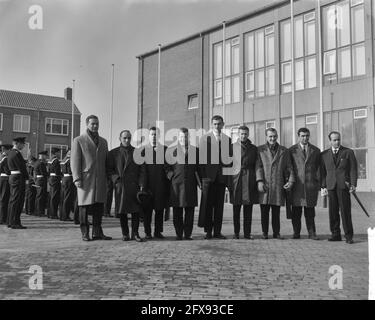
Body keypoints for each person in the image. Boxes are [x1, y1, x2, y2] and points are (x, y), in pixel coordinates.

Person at [71, 115, 112, 241]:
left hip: (100, 179)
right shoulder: (79, 140)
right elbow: (75, 160)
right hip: (85, 179)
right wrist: (76, 178)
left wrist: (108, 177)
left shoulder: (104, 142)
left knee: (99, 207)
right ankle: (85, 233)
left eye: (97, 123)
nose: (95, 126)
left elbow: (106, 161)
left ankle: (97, 232)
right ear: (87, 124)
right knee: (84, 206)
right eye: (92, 123)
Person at [108, 130, 146, 242]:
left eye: (129, 138)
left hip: (134, 186)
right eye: (124, 138)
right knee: (122, 211)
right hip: (121, 186)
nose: (127, 140)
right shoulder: (113, 153)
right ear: (119, 138)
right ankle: (125, 234)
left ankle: (135, 233)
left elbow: (142, 170)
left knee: (135, 211)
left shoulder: (137, 152)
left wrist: (142, 184)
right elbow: (109, 170)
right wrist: (116, 180)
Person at [198, 115, 232, 240]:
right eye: (215, 124)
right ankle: (208, 232)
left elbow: (229, 161)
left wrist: (227, 179)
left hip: (221, 179)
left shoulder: (227, 140)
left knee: (219, 207)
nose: (217, 126)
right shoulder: (204, 139)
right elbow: (200, 161)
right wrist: (203, 179)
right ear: (212, 125)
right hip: (209, 179)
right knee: (208, 206)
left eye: (219, 124)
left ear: (223, 124)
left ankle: (217, 231)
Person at [320, 131, 358, 244]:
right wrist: (323, 186)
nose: (337, 142)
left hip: (343, 186)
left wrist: (353, 184)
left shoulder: (348, 152)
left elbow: (353, 170)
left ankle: (348, 236)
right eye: (334, 140)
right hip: (331, 186)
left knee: (345, 211)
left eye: (338, 139)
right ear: (330, 141)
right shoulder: (324, 155)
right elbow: (322, 172)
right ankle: (335, 234)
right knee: (333, 212)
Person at [258, 128, 295, 239]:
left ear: (277, 136)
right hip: (265, 184)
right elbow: (258, 166)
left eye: (274, 136)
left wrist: (291, 180)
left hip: (278, 185)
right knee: (264, 211)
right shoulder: (260, 150)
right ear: (266, 137)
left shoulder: (284, 150)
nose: (272, 138)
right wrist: (259, 181)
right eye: (270, 136)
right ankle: (264, 233)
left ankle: (276, 233)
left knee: (276, 211)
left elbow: (289, 167)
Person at [165, 128, 201, 241]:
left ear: (188, 137)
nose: (183, 139)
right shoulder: (171, 151)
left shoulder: (196, 151)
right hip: (176, 184)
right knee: (177, 211)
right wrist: (171, 175)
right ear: (178, 138)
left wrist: (201, 182)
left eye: (185, 137)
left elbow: (199, 168)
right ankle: (179, 234)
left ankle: (188, 234)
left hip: (190, 183)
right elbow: (166, 166)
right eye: (181, 137)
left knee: (190, 211)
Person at [229, 126, 263, 240]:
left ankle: (247, 233)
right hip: (236, 180)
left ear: (248, 134)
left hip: (249, 179)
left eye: (245, 134)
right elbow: (227, 166)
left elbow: (258, 165)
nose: (244, 136)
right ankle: (236, 233)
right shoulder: (231, 147)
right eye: (242, 134)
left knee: (248, 209)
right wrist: (229, 184)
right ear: (238, 134)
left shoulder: (254, 148)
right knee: (236, 210)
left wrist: (259, 180)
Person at [289, 128, 320, 240]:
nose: (305, 138)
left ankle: (312, 233)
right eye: (302, 136)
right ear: (298, 136)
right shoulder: (292, 150)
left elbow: (318, 168)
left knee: (310, 212)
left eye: (307, 135)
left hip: (310, 185)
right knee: (296, 212)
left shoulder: (316, 150)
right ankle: (296, 233)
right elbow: (290, 167)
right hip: (297, 185)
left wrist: (318, 183)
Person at [141, 127, 169, 239]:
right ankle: (147, 232)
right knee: (147, 211)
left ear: (159, 136)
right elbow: (142, 169)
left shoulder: (166, 150)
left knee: (159, 210)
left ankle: (158, 232)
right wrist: (143, 185)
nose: (154, 137)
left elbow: (168, 167)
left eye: (156, 135)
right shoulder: (143, 151)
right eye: (152, 134)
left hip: (161, 185)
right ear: (149, 136)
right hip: (148, 186)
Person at [7, 137, 29, 229]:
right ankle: (15, 222)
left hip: (13, 177)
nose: (23, 146)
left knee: (13, 200)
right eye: (23, 144)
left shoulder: (11, 153)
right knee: (18, 200)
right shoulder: (16, 153)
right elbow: (22, 168)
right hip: (18, 178)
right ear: (18, 143)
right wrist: (27, 178)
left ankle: (10, 221)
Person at [48, 147, 62, 219]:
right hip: (55, 179)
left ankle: (50, 213)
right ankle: (53, 214)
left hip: (51, 178)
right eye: (59, 152)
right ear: (56, 153)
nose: (59, 154)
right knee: (55, 197)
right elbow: (57, 172)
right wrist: (61, 177)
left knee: (51, 196)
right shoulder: (56, 160)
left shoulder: (50, 160)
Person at [60, 149, 74, 221]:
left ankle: (62, 215)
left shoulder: (63, 160)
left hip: (64, 178)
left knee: (63, 198)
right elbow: (71, 170)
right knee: (67, 198)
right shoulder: (70, 160)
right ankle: (65, 216)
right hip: (69, 179)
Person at [0, 144, 12, 225]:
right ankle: (2, 218)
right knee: (4, 199)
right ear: (5, 150)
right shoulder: (6, 160)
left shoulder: (3, 159)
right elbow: (8, 171)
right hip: (5, 180)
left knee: (3, 199)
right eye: (9, 150)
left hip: (3, 179)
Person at [34, 150, 49, 217]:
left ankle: (37, 211)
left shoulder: (37, 162)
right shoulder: (41, 163)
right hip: (41, 180)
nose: (46, 157)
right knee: (41, 196)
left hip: (38, 180)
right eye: (45, 156)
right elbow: (44, 173)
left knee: (38, 196)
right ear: (42, 156)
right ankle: (40, 212)